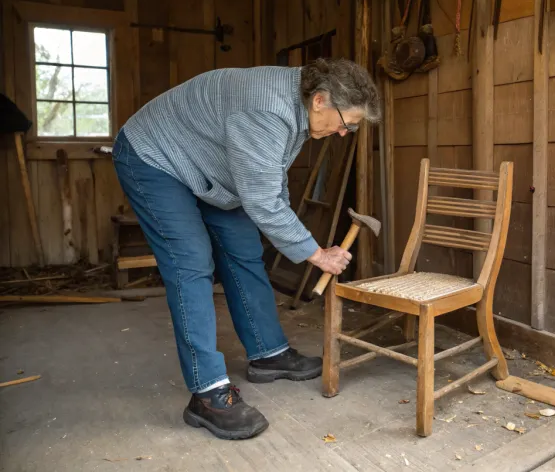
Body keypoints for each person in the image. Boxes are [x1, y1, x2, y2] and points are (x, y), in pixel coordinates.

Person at [112, 58, 381, 440]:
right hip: (156, 157)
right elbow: (263, 201)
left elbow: (271, 184)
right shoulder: (267, 109)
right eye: (346, 122)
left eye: (351, 127)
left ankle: (268, 353)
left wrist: (302, 243)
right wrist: (317, 254)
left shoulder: (301, 108)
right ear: (320, 100)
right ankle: (207, 393)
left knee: (244, 250)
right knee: (190, 261)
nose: (344, 132)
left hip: (209, 164)